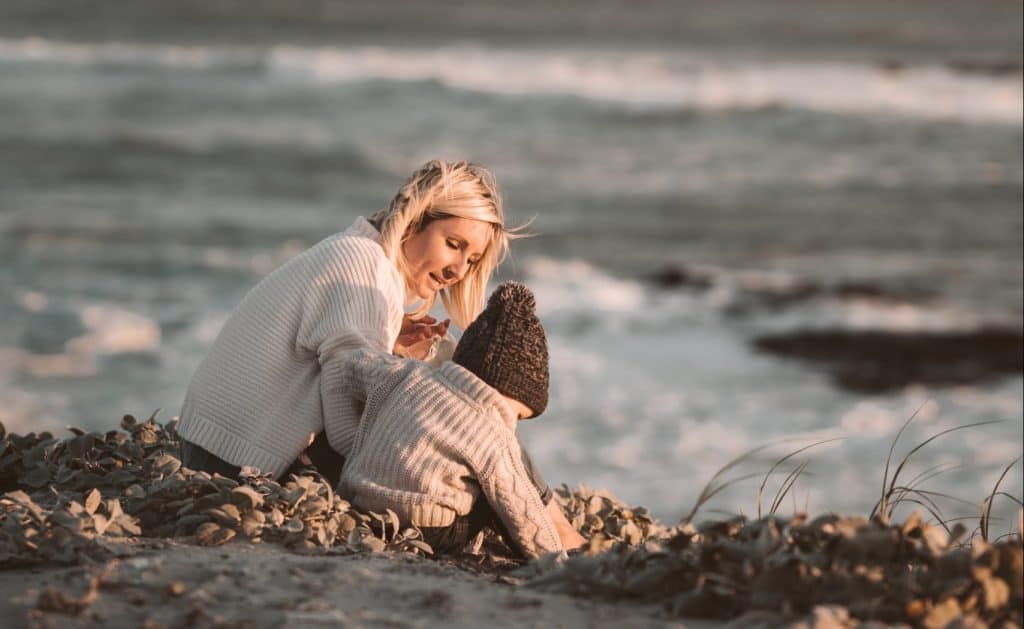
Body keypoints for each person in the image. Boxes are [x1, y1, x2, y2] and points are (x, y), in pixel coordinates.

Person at [176, 160, 523, 484]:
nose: (458, 270)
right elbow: (346, 426)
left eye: (472, 260)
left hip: (216, 446)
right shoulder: (364, 266)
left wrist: (391, 351)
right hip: (231, 462)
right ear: (416, 219)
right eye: (453, 244)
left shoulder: (357, 252)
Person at [336, 282, 584, 558]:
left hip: (359, 503)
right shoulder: (492, 431)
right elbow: (523, 509)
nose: (513, 425)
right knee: (502, 493)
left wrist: (394, 342)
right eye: (518, 415)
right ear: (504, 391)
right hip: (429, 530)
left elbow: (352, 364)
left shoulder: (406, 374)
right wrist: (555, 557)